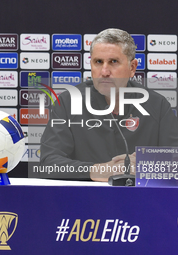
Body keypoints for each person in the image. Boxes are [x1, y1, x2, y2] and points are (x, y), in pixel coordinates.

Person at [40, 28, 178, 182]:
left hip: (140, 202)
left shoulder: (157, 106)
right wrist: (99, 170)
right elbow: (48, 164)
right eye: (98, 62)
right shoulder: (68, 102)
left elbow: (175, 163)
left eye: (113, 62)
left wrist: (144, 167)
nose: (104, 71)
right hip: (85, 201)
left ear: (132, 68)